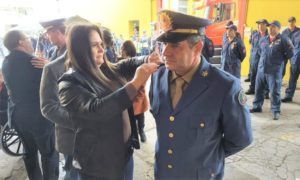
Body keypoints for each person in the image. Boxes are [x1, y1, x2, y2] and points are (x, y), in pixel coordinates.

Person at [149, 10, 252, 179]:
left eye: (175, 46)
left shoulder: (224, 87)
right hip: (163, 173)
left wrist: (207, 156)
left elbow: (241, 138)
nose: (165, 52)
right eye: (163, 44)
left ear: (197, 48)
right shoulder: (157, 77)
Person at [58, 24, 158, 179]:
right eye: (94, 45)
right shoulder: (69, 84)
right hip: (99, 165)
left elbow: (126, 64)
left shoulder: (104, 70)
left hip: (124, 154)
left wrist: (146, 58)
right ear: (79, 49)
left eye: (101, 44)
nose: (101, 49)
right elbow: (97, 110)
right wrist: (135, 83)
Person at [2, 30, 59, 179]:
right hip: (39, 117)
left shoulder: (6, 62)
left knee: (29, 153)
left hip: (17, 116)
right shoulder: (35, 62)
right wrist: (49, 66)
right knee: (49, 154)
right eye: (27, 38)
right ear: (20, 42)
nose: (30, 41)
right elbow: (53, 85)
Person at [40, 16, 89, 180]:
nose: (47, 36)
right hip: (71, 133)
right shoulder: (53, 63)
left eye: (49, 32)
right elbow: (48, 106)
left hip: (95, 134)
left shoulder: (90, 57)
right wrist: (80, 121)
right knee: (72, 172)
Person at [250, 20, 294, 120]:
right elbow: (261, 52)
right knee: (258, 89)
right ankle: (257, 106)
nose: (271, 29)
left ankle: (275, 110)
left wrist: (279, 61)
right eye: (270, 27)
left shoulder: (284, 40)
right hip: (261, 69)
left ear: (278, 29)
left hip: (274, 71)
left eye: (273, 27)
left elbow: (290, 53)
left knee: (274, 91)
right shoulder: (263, 39)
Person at [121, 40, 148, 142]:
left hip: (138, 95)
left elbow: (142, 83)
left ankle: (141, 130)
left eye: (122, 49)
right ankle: (134, 134)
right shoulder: (120, 63)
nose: (120, 51)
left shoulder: (137, 63)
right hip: (127, 96)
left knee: (140, 115)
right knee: (130, 117)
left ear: (127, 50)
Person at [245, 19, 269, 95]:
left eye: (262, 25)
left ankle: (265, 91)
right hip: (254, 57)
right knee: (253, 73)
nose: (260, 26)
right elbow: (251, 44)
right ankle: (252, 88)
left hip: (264, 58)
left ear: (266, 25)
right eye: (259, 25)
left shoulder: (269, 35)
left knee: (264, 74)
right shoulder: (254, 34)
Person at [281, 17, 300, 102]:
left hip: (295, 56)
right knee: (280, 72)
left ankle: (288, 96)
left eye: (292, 22)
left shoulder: (299, 31)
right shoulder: (284, 32)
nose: (291, 23)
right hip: (285, 55)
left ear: (295, 22)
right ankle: (270, 90)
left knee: (293, 75)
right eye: (289, 22)